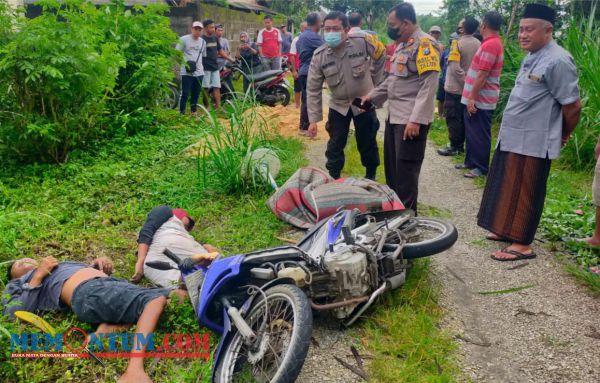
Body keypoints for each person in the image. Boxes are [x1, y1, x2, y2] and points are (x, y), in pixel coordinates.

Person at [478, 3, 581, 261]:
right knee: (507, 184)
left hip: (535, 140)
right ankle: (505, 230)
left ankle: (522, 244)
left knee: (526, 190)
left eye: (529, 30)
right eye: (521, 29)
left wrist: (564, 134)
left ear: (548, 30)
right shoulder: (532, 56)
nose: (522, 35)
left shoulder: (558, 60)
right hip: (514, 136)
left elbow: (573, 106)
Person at [3, 255, 172, 383]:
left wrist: (98, 266)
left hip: (107, 285)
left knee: (176, 297)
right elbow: (13, 314)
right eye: (17, 263)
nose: (22, 259)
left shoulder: (58, 265)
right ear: (14, 277)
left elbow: (79, 273)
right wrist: (37, 276)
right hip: (88, 292)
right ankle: (134, 370)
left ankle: (111, 326)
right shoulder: (19, 283)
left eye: (25, 258)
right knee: (154, 301)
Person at [361, 2, 440, 213]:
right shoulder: (402, 45)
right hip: (395, 118)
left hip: (409, 122)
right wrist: (371, 97)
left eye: (392, 24)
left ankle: (408, 220)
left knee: (406, 174)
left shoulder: (425, 45)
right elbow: (392, 80)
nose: (390, 28)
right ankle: (395, 214)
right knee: (394, 171)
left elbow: (428, 85)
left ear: (405, 23)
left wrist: (416, 120)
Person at [307, 11, 385, 180]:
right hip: (338, 104)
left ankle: (370, 176)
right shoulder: (319, 56)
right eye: (326, 29)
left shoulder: (362, 42)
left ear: (347, 29)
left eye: (335, 29)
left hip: (362, 101)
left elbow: (381, 54)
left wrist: (375, 87)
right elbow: (313, 89)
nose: (330, 33)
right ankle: (334, 177)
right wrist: (313, 120)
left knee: (367, 139)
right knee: (335, 144)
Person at [459, 12, 504, 178]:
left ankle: (481, 166)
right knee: (471, 131)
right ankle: (470, 161)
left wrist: (472, 97)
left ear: (484, 24)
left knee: (479, 132)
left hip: (481, 99)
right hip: (476, 97)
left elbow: (483, 74)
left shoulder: (491, 45)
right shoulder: (488, 43)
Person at [131, 205, 219, 288]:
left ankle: (187, 278)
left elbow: (146, 235)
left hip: (163, 253)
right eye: (187, 221)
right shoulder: (165, 211)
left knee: (155, 269)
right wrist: (140, 262)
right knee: (152, 266)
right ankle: (196, 271)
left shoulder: (185, 235)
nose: (187, 227)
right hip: (167, 245)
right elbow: (146, 231)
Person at [438, 17, 481, 156]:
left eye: (460, 25)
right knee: (463, 118)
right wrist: (470, 85)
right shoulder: (479, 43)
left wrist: (466, 82)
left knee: (452, 117)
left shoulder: (457, 44)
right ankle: (460, 145)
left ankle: (455, 146)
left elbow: (455, 68)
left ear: (462, 28)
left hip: (455, 88)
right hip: (469, 89)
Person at [297, 13, 324, 135]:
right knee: (309, 99)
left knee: (306, 99)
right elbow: (328, 47)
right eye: (321, 22)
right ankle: (304, 127)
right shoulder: (313, 37)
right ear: (317, 23)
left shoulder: (302, 36)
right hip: (309, 71)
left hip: (303, 69)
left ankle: (304, 126)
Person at [201, 19, 235, 112]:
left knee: (217, 87)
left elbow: (221, 51)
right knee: (205, 88)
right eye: (211, 27)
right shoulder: (202, 40)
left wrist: (231, 59)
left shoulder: (215, 38)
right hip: (205, 68)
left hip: (215, 67)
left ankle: (218, 107)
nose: (213, 29)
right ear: (205, 28)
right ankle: (207, 107)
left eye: (213, 27)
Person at [177, 21, 206, 116]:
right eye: (195, 29)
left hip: (199, 72)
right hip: (186, 72)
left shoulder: (203, 42)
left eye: (199, 29)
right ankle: (181, 112)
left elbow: (203, 55)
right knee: (184, 93)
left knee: (196, 93)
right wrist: (184, 63)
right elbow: (177, 53)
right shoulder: (184, 39)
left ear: (201, 31)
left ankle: (194, 111)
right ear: (191, 29)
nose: (197, 31)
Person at [436, 33, 458, 117]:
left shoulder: (459, 52)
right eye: (451, 40)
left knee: (448, 99)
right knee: (440, 98)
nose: (452, 42)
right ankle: (440, 115)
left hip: (452, 81)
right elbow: (441, 64)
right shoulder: (446, 51)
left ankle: (446, 115)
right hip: (443, 79)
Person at [290, 22, 307, 108]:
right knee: (297, 88)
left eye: (307, 27)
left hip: (308, 69)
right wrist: (293, 71)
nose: (306, 29)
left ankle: (305, 106)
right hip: (298, 68)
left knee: (307, 89)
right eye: (304, 28)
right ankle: (297, 106)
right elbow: (292, 56)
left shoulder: (311, 39)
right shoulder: (296, 40)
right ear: (301, 29)